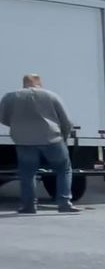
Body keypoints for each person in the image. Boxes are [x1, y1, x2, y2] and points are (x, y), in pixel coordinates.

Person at [2, 73, 79, 214]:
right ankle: (64, 203)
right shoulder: (51, 96)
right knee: (64, 169)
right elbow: (66, 121)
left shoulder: (10, 97)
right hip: (51, 139)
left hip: (24, 140)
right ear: (39, 83)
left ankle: (29, 206)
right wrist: (64, 136)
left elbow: (3, 117)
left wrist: (17, 126)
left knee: (27, 173)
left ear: (23, 83)